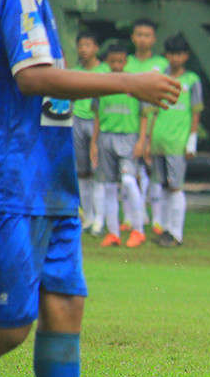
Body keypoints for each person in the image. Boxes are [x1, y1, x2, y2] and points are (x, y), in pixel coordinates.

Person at [0, 0, 179, 377]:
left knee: (64, 306)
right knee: (9, 325)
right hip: (13, 179)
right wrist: (130, 82)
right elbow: (33, 77)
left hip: (51, 180)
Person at [145, 35, 202, 248]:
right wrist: (149, 140)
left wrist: (192, 140)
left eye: (179, 54)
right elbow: (153, 111)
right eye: (171, 54)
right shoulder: (160, 78)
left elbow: (196, 112)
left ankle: (176, 233)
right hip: (160, 139)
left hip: (178, 141)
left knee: (176, 187)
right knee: (164, 186)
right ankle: (166, 230)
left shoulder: (192, 80)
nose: (175, 58)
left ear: (185, 56)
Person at [91, 42, 148, 248]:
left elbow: (143, 115)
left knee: (129, 181)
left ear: (126, 61)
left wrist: (142, 140)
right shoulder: (102, 84)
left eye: (120, 61)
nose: (116, 65)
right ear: (108, 61)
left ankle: (138, 229)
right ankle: (113, 232)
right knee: (108, 186)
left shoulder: (134, 83)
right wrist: (94, 143)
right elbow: (96, 115)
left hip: (128, 138)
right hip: (106, 137)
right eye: (112, 61)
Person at [125, 17, 169, 234]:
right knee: (131, 173)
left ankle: (157, 219)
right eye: (139, 35)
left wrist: (152, 133)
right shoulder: (126, 63)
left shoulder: (162, 65)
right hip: (128, 124)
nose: (143, 39)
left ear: (154, 39)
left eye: (147, 35)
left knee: (154, 173)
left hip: (155, 125)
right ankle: (132, 216)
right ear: (133, 37)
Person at [71, 30, 108, 236]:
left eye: (88, 45)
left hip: (97, 122)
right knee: (82, 172)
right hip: (77, 120)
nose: (83, 49)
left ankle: (100, 220)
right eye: (81, 45)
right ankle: (88, 217)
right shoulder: (75, 71)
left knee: (98, 172)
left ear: (96, 48)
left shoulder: (104, 70)